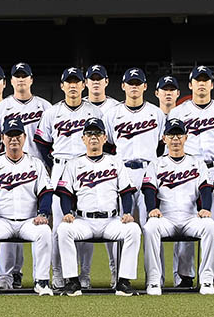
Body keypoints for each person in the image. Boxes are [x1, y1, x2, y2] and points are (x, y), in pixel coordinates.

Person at [54, 117, 141, 296]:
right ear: (83, 139)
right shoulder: (73, 164)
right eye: (89, 134)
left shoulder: (116, 162)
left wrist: (128, 213)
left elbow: (126, 191)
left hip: (111, 220)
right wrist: (67, 213)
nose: (93, 137)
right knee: (63, 229)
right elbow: (65, 193)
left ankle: (124, 281)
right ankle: (72, 281)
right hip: (83, 220)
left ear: (104, 138)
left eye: (97, 133)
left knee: (133, 229)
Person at [35, 67, 103, 290]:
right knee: (58, 227)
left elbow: (105, 143)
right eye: (68, 82)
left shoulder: (94, 112)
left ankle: (83, 274)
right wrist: (52, 163)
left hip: (87, 169)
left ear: (83, 86)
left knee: (85, 222)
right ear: (62, 86)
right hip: (61, 167)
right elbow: (42, 143)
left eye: (77, 82)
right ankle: (58, 273)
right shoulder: (52, 112)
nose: (73, 86)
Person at [0, 117, 54, 296]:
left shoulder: (35, 163)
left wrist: (43, 213)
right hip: (3, 221)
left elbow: (46, 192)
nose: (14, 139)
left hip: (28, 221)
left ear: (25, 137)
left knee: (44, 231)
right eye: (9, 135)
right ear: (2, 138)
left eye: (17, 135)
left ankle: (42, 281)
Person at [169, 65, 214, 285]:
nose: (202, 84)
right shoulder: (178, 113)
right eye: (198, 80)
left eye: (206, 80)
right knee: (184, 220)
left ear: (212, 85)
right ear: (190, 85)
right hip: (186, 170)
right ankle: (184, 274)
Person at [0, 61, 50, 289]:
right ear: (11, 81)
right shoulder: (0, 108)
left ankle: (34, 275)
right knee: (7, 217)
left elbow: (46, 141)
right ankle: (6, 275)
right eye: (17, 76)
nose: (21, 80)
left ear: (31, 80)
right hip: (9, 165)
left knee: (35, 221)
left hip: (36, 167)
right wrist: (7, 162)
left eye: (25, 76)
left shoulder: (45, 106)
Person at [141, 119, 214, 296]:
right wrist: (152, 208)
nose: (175, 138)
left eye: (179, 135)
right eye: (171, 135)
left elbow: (205, 188)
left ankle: (206, 279)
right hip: (166, 218)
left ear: (186, 137)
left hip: (190, 217)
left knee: (210, 227)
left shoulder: (197, 163)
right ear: (164, 139)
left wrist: (205, 208)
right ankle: (154, 280)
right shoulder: (156, 164)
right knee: (150, 227)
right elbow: (149, 189)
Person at [102, 67, 164, 284]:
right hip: (122, 172)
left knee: (152, 225)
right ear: (123, 86)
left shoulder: (156, 113)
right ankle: (116, 274)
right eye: (131, 83)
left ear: (145, 86)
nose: (134, 87)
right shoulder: (112, 114)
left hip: (149, 171)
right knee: (119, 223)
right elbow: (107, 145)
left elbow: (161, 146)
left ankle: (154, 277)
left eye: (138, 83)